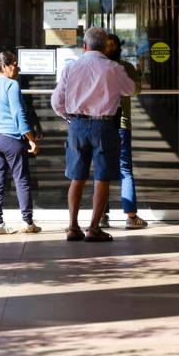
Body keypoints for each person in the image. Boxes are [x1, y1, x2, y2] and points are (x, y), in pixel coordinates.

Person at [51, 27, 136, 242]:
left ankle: (72, 226)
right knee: (102, 178)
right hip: (104, 126)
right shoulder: (113, 68)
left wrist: (69, 118)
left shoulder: (71, 68)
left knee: (76, 177)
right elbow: (131, 90)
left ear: (84, 46)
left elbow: (56, 102)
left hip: (77, 125)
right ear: (105, 46)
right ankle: (93, 228)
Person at [0, 51, 41, 235]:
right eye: (14, 64)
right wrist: (31, 139)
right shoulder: (11, 85)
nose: (18, 68)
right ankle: (27, 222)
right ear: (4, 66)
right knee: (21, 179)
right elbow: (18, 113)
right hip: (11, 138)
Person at [101, 33, 148, 230]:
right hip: (121, 124)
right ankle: (131, 216)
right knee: (125, 170)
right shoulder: (125, 67)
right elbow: (136, 90)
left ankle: (101, 216)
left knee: (102, 171)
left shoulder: (98, 68)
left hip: (101, 124)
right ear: (119, 48)